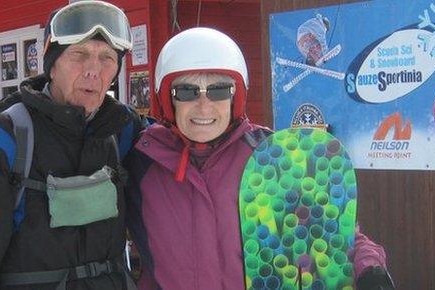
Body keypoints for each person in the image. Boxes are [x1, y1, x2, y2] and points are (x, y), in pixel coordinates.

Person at [125, 27, 393, 290]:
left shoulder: (274, 156)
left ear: (236, 97)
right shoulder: (142, 161)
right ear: (168, 99)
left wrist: (368, 267)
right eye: (186, 91)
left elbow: (333, 232)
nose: (204, 106)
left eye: (219, 90)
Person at [0, 1, 144, 289]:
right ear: (51, 66)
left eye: (107, 58)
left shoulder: (121, 130)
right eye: (79, 54)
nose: (94, 70)